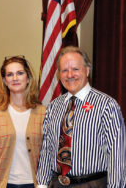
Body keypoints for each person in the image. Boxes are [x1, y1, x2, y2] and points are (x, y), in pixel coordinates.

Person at [36, 46, 126, 188]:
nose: (70, 74)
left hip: (92, 184)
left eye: (75, 69)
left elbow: (117, 155)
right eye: (64, 70)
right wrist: (41, 184)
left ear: (87, 70)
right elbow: (46, 150)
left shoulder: (107, 105)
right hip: (56, 184)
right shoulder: (53, 106)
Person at [0, 55, 46, 188]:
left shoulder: (43, 113)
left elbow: (50, 155)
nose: (15, 78)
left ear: (28, 78)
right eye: (10, 74)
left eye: (20, 73)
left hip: (35, 184)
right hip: (2, 184)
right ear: (4, 80)